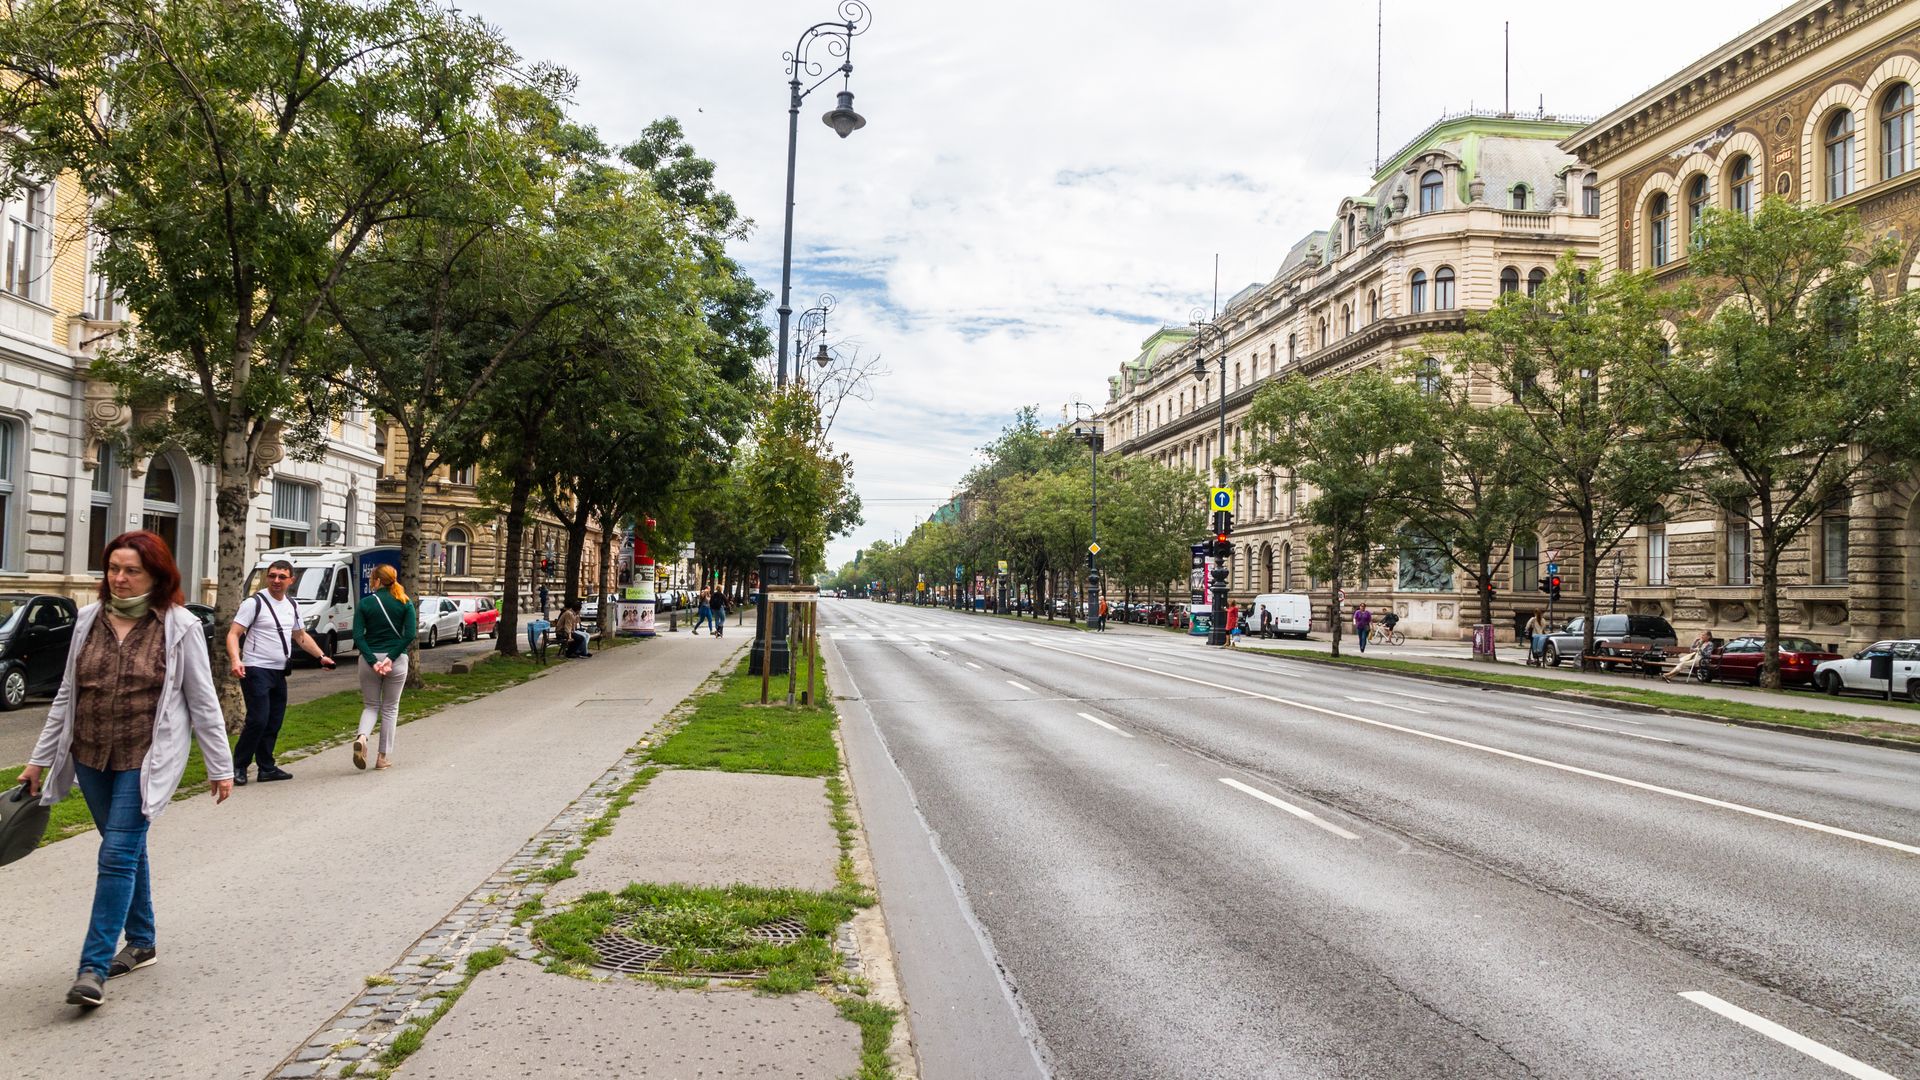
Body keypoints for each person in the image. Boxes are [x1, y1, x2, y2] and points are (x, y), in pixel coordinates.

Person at [19, 530, 233, 1008]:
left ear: (156, 575)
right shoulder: (88, 619)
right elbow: (66, 697)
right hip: (90, 755)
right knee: (126, 851)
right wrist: (38, 759)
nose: (119, 577)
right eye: (113, 568)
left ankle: (91, 969)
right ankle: (143, 939)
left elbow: (202, 701)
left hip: (143, 760)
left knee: (115, 855)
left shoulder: (179, 626)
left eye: (131, 569)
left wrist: (221, 765)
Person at [226, 559, 336, 785]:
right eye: (272, 575)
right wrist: (236, 660)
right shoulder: (254, 603)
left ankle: (266, 767)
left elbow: (300, 637)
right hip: (256, 669)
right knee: (258, 719)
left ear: (291, 580)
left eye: (281, 577)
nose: (276, 580)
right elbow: (233, 634)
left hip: (279, 672)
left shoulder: (292, 605)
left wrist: (320, 656)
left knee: (274, 721)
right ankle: (239, 767)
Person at [351, 565, 416, 772]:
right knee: (390, 708)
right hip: (396, 661)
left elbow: (358, 636)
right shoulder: (405, 602)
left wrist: (373, 661)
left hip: (369, 660)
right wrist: (390, 658)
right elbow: (409, 635)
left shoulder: (365, 603)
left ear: (376, 581)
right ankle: (382, 758)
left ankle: (362, 737)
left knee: (371, 705)